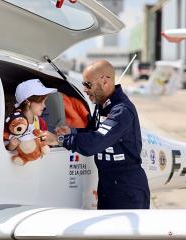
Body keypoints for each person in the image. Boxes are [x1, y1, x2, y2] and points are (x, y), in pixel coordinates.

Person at [45, 60, 150, 209]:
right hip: (108, 185)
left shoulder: (122, 110)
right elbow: (93, 132)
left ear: (105, 81)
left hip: (127, 190)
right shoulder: (102, 107)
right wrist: (72, 131)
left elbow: (95, 143)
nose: (85, 89)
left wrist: (60, 139)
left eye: (88, 84)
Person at [5, 79, 56, 151]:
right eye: (41, 101)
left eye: (44, 101)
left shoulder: (41, 123)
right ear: (27, 102)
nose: (44, 106)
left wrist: (51, 140)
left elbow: (43, 144)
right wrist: (10, 147)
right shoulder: (12, 121)